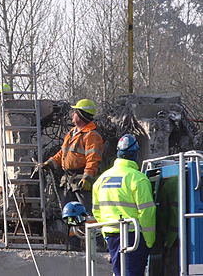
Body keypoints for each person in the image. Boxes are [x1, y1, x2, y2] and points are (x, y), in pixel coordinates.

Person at [40, 98, 104, 248]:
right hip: (68, 181)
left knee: (88, 213)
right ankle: (74, 243)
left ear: (81, 115)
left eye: (75, 111)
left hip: (81, 179)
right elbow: (63, 153)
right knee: (70, 214)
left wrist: (88, 177)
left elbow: (93, 158)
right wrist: (50, 163)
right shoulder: (72, 133)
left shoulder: (91, 136)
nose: (72, 113)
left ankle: (98, 244)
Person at [92, 134, 156, 276]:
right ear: (135, 153)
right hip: (133, 237)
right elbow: (147, 212)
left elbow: (97, 211)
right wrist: (150, 241)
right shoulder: (138, 179)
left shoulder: (101, 179)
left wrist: (106, 232)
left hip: (111, 236)